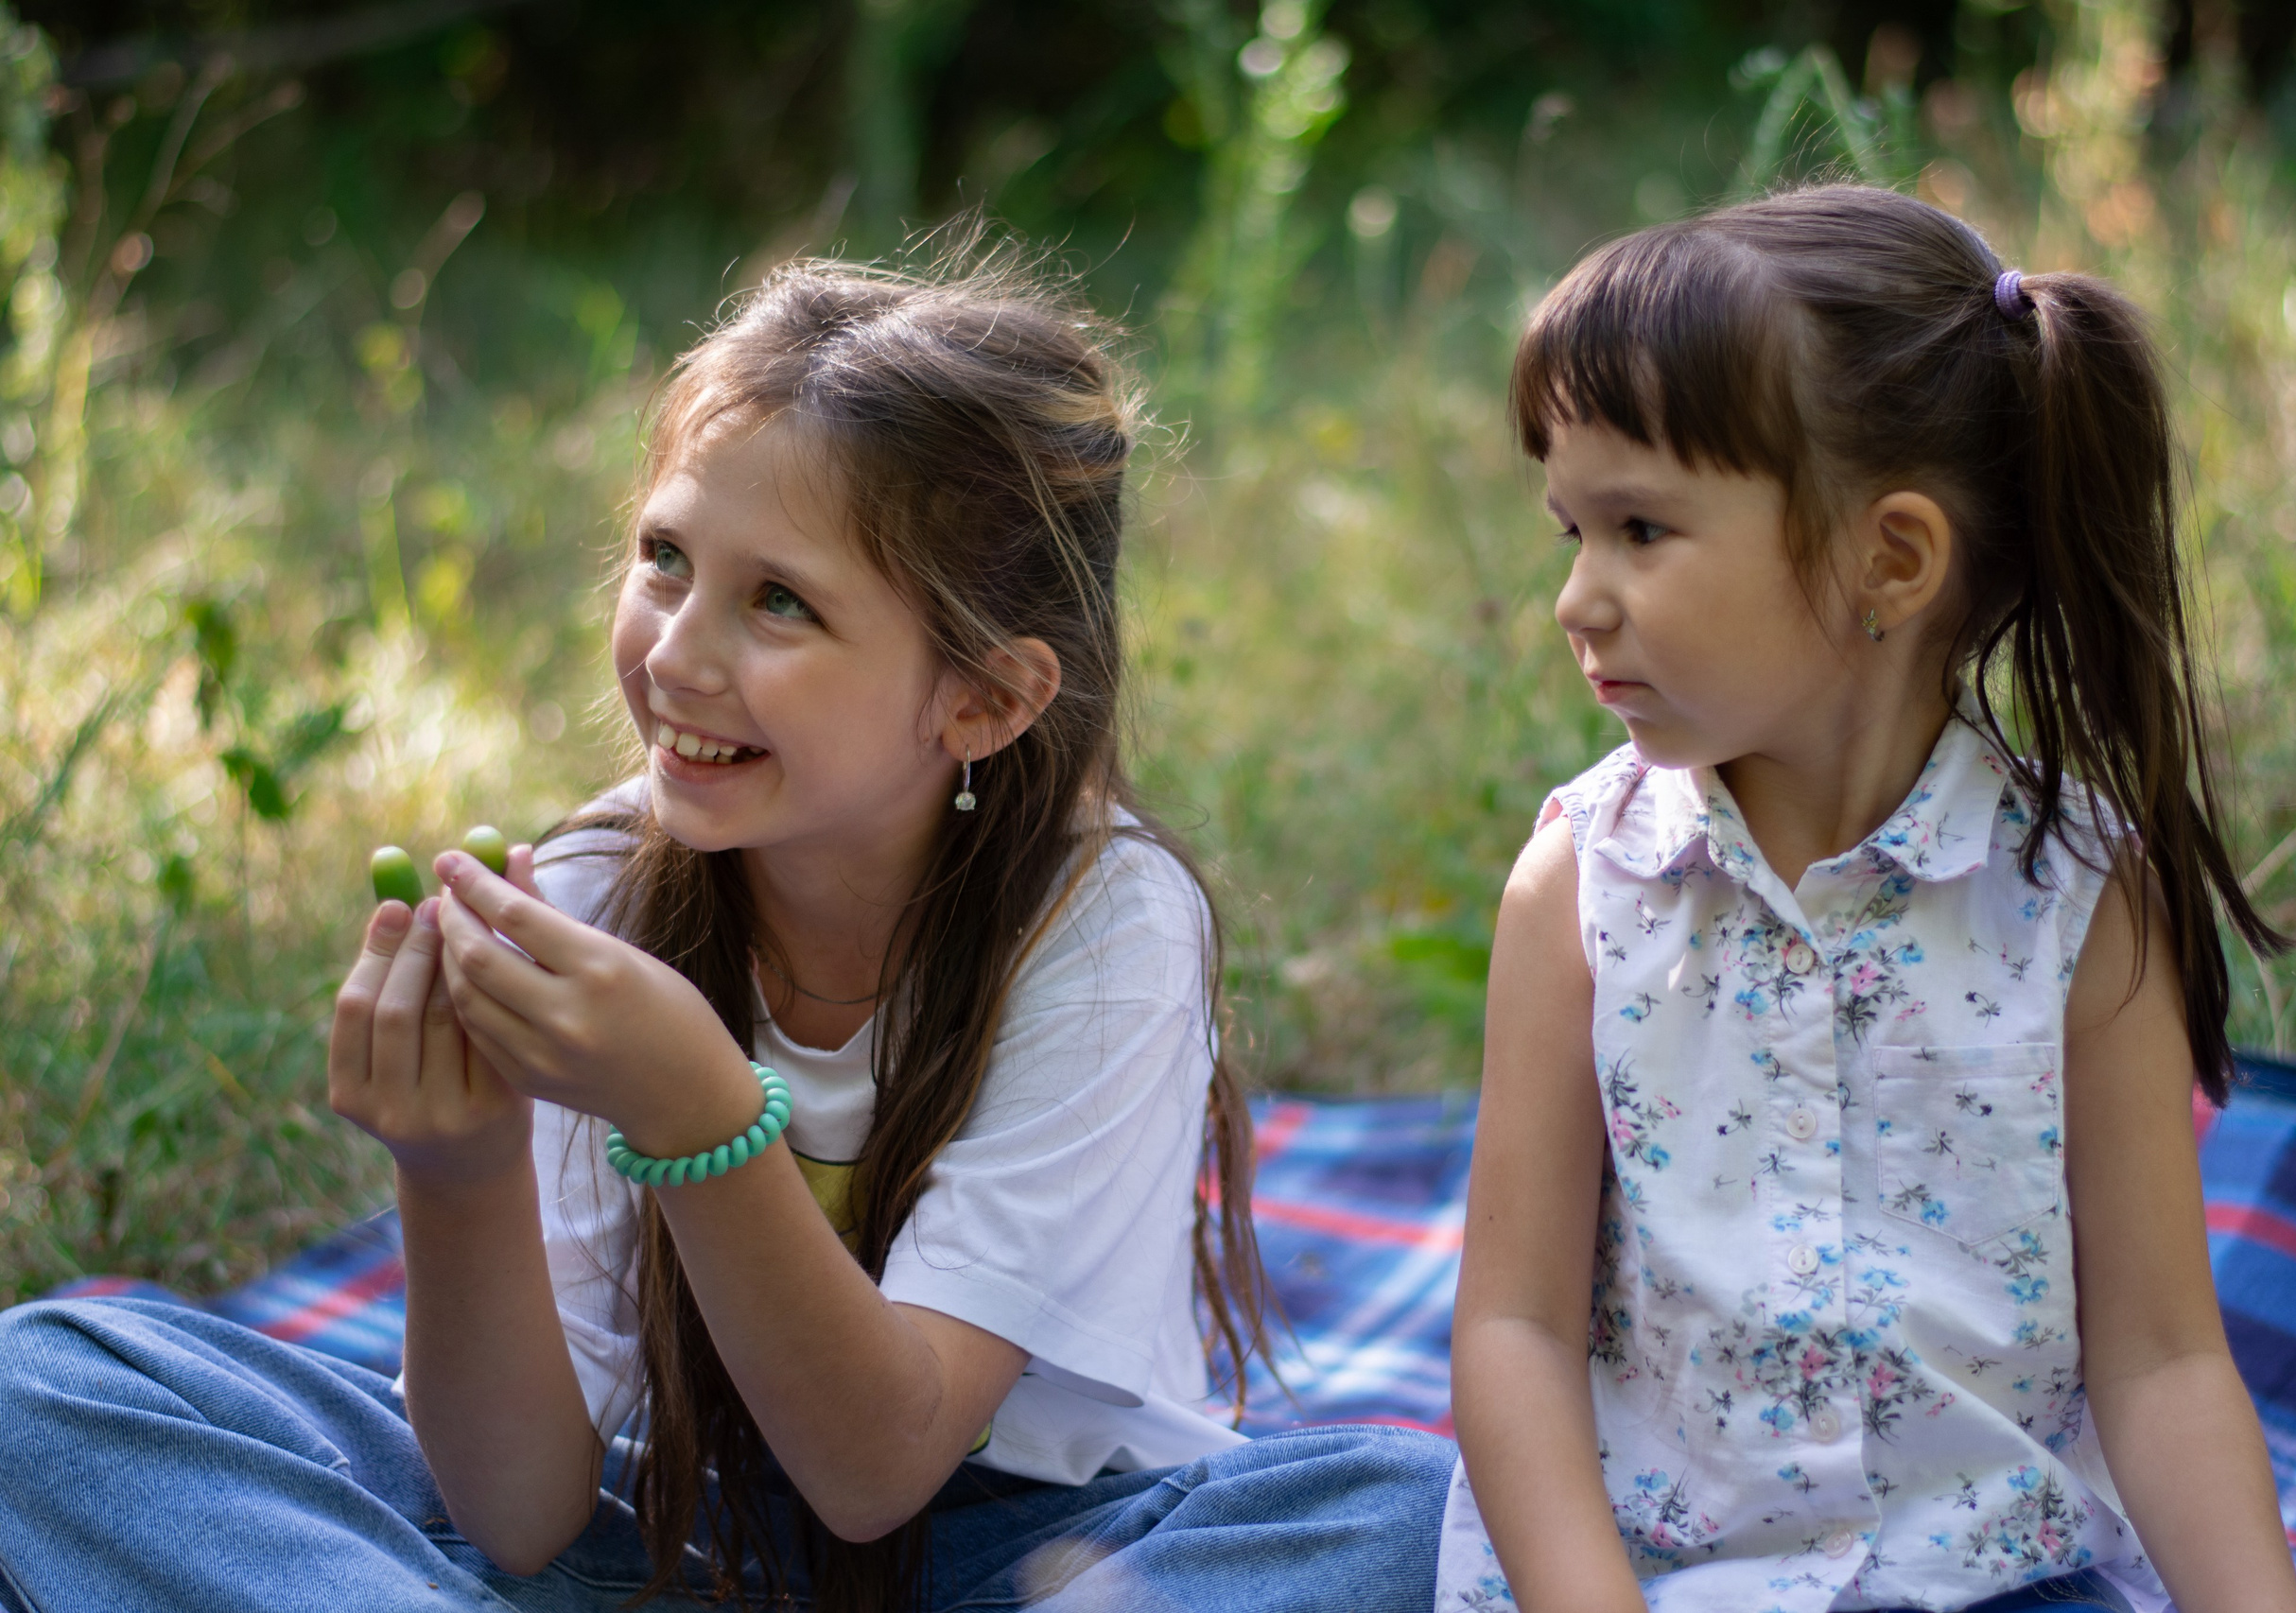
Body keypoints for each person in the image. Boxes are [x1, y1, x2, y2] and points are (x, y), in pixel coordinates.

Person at [0, 248, 1454, 1613]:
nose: (678, 654)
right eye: (665, 558)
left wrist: (693, 1107)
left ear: (986, 701)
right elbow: (519, 1511)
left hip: (1023, 1554)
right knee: (48, 1383)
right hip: (669, 1529)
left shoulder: (1102, 920)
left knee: (1397, 1506)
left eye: (779, 603)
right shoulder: (596, 890)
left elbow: (882, 1470)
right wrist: (454, 1169)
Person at [1440, 185, 2296, 1613]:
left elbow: (2162, 1358)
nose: (1577, 600)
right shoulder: (1583, 891)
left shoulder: (2075, 901)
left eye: (1641, 529)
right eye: (1569, 533)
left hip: (1995, 1580)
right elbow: (1516, 1328)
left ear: (1888, 559)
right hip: (1670, 1578)